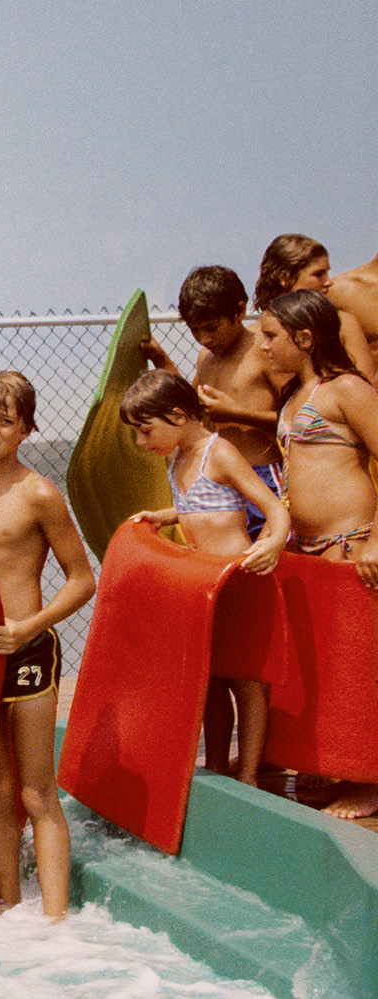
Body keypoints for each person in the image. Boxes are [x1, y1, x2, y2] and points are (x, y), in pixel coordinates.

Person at [0, 371, 96, 919]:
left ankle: (56, 924)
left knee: (36, 793)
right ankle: (5, 912)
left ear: (25, 429)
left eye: (5, 421)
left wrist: (27, 627)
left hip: (30, 651)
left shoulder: (40, 495)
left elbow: (83, 579)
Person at [120, 370, 290, 787]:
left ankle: (248, 773)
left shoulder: (220, 451)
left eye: (145, 431)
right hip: (205, 588)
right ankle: (216, 767)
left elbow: (275, 508)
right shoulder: (178, 458)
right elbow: (204, 505)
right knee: (211, 680)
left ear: (178, 415)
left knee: (246, 681)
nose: (143, 443)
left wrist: (272, 544)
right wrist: (166, 515)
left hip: (240, 581)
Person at [259, 289, 378, 818]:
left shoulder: (346, 389)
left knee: (364, 670)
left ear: (305, 339)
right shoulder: (291, 397)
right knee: (330, 670)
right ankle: (336, 764)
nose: (261, 347)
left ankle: (372, 782)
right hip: (311, 552)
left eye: (270, 337)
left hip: (353, 545)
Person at [143, 265, 286, 537]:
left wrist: (238, 413)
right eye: (195, 330)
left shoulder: (263, 351)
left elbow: (297, 423)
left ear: (240, 311)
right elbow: (190, 409)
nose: (205, 339)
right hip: (219, 482)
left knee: (269, 560)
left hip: (263, 477)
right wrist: (160, 358)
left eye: (212, 327)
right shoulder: (205, 358)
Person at [255, 234, 376, 378]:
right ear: (285, 277)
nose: (329, 282)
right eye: (319, 274)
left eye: (327, 273)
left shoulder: (343, 325)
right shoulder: (254, 340)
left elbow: (365, 387)